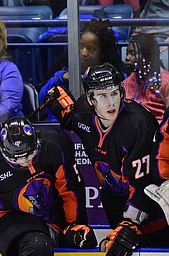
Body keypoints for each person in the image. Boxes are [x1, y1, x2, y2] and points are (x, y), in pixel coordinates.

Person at [45, 63, 169, 254]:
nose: (110, 102)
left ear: (121, 92)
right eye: (102, 96)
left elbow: (144, 185)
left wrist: (130, 225)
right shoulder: (83, 115)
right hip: (113, 200)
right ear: (90, 99)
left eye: (114, 93)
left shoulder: (139, 124)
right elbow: (70, 118)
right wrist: (54, 98)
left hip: (148, 209)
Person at [0, 116, 97, 256]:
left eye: (29, 156)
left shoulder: (54, 147)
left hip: (51, 216)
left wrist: (74, 224)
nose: (24, 162)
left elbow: (70, 191)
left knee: (86, 241)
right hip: (10, 217)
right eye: (16, 159)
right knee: (37, 246)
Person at [39, 19, 126, 121]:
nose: (84, 53)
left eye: (91, 49)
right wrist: (62, 78)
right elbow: (42, 98)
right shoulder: (62, 76)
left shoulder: (114, 78)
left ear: (102, 53)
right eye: (81, 46)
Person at [123, 33, 169, 123]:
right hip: (132, 131)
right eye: (127, 53)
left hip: (158, 132)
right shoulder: (127, 82)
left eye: (133, 53)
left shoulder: (165, 81)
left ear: (147, 55)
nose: (127, 58)